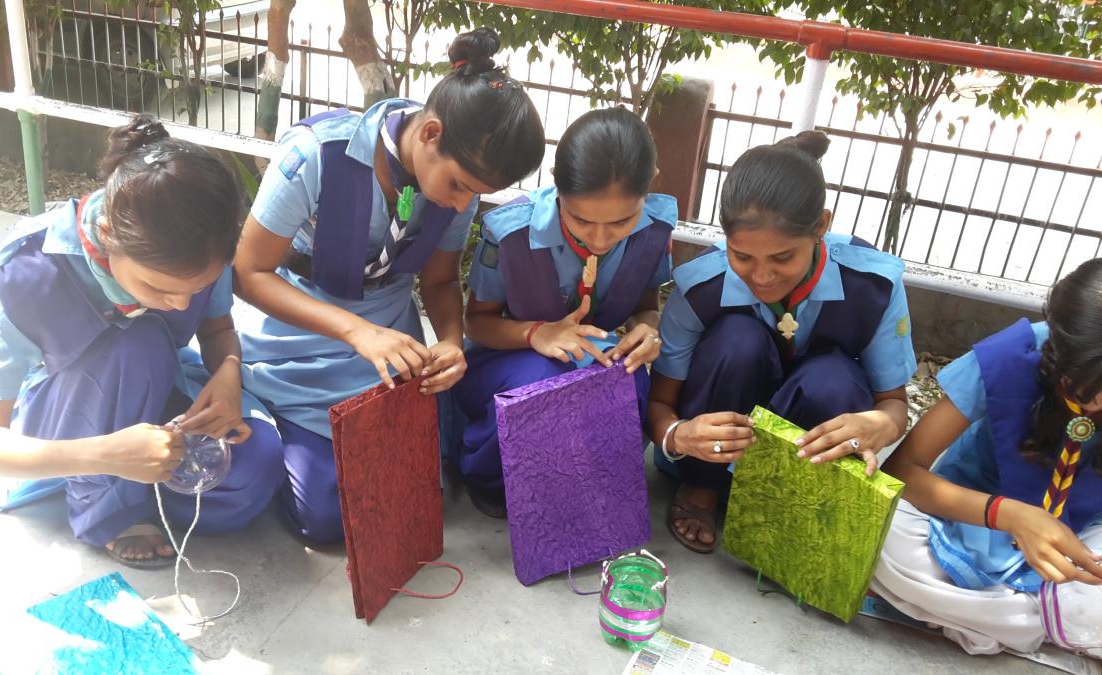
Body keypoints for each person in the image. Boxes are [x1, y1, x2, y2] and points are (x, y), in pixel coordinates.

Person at [233, 27, 546, 542]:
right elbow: (249, 272)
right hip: (298, 339)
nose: (463, 205)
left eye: (478, 195)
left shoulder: (452, 190)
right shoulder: (316, 154)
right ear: (430, 134)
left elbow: (441, 279)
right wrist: (357, 332)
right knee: (332, 520)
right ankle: (272, 417)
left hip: (393, 349)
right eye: (461, 186)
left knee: (409, 498)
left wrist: (448, 343)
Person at [0, 115, 284, 568]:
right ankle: (105, 505)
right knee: (137, 343)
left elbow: (216, 329)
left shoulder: (201, 243)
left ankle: (142, 476)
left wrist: (228, 370)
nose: (179, 305)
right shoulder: (27, 277)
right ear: (109, 235)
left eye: (197, 288)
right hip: (69, 415)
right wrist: (105, 454)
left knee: (249, 474)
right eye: (159, 288)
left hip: (157, 382)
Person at [647, 131, 916, 553]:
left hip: (809, 435)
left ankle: (788, 500)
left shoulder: (873, 287)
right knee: (737, 340)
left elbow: (893, 403)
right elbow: (659, 403)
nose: (762, 276)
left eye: (783, 257)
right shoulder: (701, 287)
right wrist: (681, 436)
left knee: (835, 377)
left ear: (822, 227)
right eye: (742, 256)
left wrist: (881, 424)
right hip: (711, 446)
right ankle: (703, 488)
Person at [871, 258, 1102, 658]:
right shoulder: (1009, 358)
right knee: (882, 536)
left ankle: (995, 616)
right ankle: (1049, 620)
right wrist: (1009, 515)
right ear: (1060, 351)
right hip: (968, 522)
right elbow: (902, 472)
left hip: (1082, 536)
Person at [453, 106, 675, 517]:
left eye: (622, 221)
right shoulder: (512, 234)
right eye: (581, 220)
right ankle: (490, 478)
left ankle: (572, 479)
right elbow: (477, 322)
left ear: (650, 186)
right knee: (551, 378)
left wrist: (648, 329)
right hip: (509, 362)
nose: (601, 239)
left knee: (624, 374)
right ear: (557, 187)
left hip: (592, 363)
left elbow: (645, 308)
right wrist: (537, 333)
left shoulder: (654, 232)